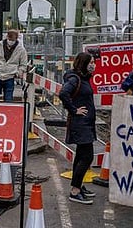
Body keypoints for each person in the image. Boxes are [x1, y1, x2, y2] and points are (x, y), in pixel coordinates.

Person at [59, 52, 97, 205]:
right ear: (84, 63)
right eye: (91, 62)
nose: (94, 64)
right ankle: (75, 191)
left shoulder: (83, 78)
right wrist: (74, 110)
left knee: (81, 155)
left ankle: (78, 186)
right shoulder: (75, 79)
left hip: (86, 123)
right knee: (87, 157)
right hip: (80, 123)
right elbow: (63, 93)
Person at [0, 29, 27, 101]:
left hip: (10, 76)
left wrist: (18, 73)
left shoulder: (21, 50)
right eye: (10, 39)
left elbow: (23, 64)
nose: (11, 41)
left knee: (8, 100)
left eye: (12, 40)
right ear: (7, 37)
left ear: (16, 39)